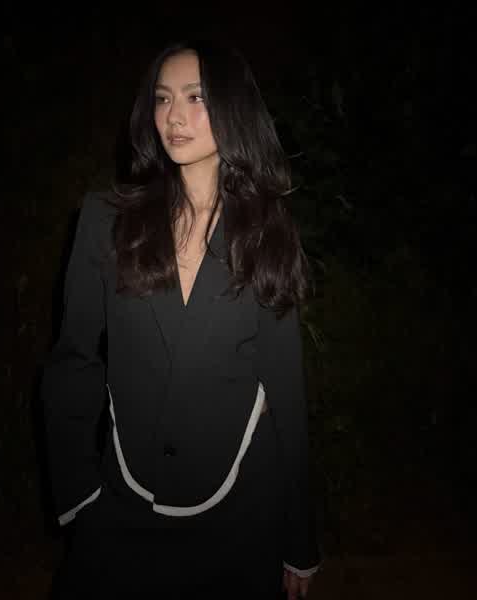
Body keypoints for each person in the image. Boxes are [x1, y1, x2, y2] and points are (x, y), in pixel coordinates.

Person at [41, 38, 322, 599]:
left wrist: (299, 537)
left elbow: (285, 392)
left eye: (196, 98)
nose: (174, 116)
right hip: (122, 505)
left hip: (241, 513)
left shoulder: (266, 232)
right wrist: (80, 494)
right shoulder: (105, 220)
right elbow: (74, 361)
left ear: (232, 108)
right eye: (163, 98)